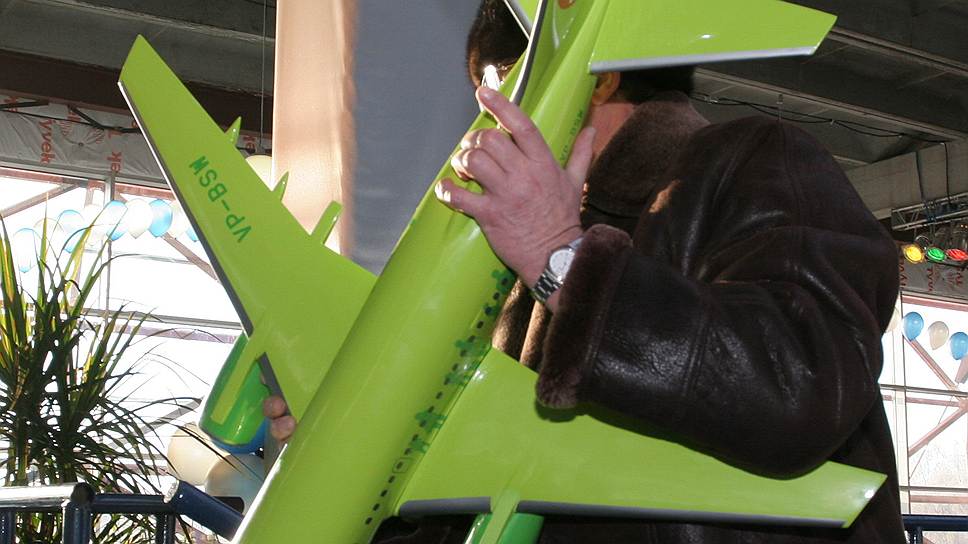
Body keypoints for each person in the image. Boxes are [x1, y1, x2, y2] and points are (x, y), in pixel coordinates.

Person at [264, 1, 905, 542]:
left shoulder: (753, 159)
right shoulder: (521, 251)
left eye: (499, 85)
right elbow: (489, 493)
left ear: (595, 79)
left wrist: (560, 259)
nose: (490, 119)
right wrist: (360, 450)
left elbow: (801, 383)